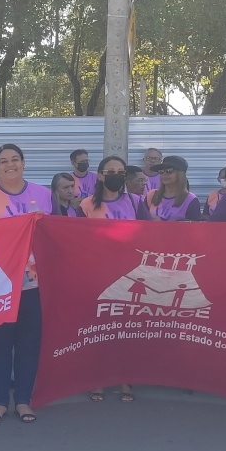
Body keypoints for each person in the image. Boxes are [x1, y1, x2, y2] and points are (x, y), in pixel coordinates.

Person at [0, 142, 54, 424]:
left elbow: (59, 234)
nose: (10, 165)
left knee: (29, 344)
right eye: (3, 161)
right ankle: (0, 402)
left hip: (35, 285)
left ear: (24, 164)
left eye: (15, 159)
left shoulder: (44, 195)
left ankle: (24, 401)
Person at [73, 156, 150, 402]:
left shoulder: (136, 202)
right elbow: (75, 238)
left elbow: (151, 234)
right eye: (111, 171)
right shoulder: (86, 205)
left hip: (130, 275)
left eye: (120, 171)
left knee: (125, 330)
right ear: (100, 175)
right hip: (96, 275)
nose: (116, 175)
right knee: (99, 330)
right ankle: (98, 379)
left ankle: (125, 379)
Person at [146, 156, 203, 221]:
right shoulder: (151, 195)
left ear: (180, 174)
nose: (164, 174)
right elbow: (142, 219)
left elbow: (195, 225)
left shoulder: (190, 199)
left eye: (169, 171)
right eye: (161, 171)